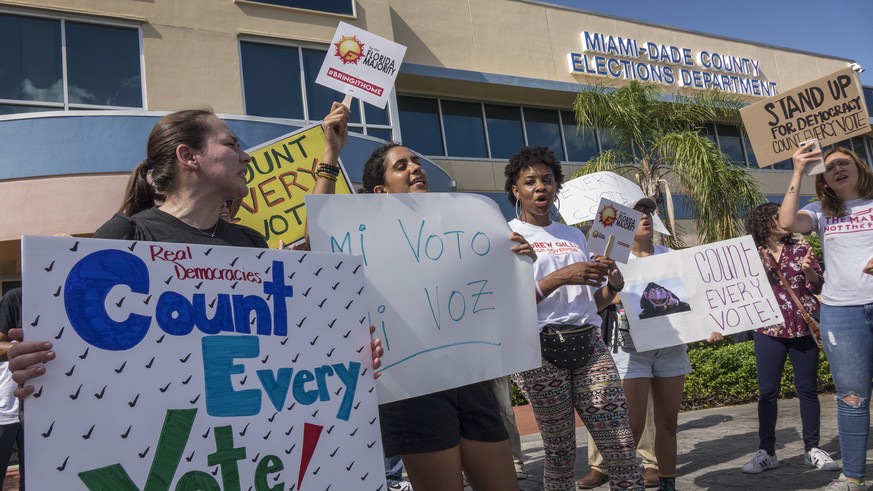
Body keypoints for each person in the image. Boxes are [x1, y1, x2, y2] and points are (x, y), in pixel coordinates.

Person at [8, 102, 384, 399]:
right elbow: (70, 351)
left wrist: (343, 351)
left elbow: (286, 340)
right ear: (189, 156)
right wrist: (35, 366)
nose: (246, 157)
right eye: (232, 145)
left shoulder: (250, 244)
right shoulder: (124, 238)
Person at [355, 142, 530, 491]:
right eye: (401, 166)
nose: (415, 168)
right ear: (380, 190)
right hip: (411, 389)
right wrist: (330, 153)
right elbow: (321, 241)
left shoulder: (463, 228)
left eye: (416, 162)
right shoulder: (361, 237)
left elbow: (492, 295)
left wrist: (518, 263)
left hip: (470, 379)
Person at [504, 146, 644, 491]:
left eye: (548, 180)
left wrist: (613, 284)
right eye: (530, 181)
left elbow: (592, 304)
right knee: (561, 451)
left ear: (556, 187)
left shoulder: (575, 235)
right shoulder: (507, 236)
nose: (541, 187)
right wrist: (561, 276)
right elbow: (508, 307)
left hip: (589, 342)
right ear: (516, 190)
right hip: (539, 349)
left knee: (621, 443)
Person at [777, 144, 873, 491]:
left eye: (844, 162)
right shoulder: (819, 211)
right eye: (829, 168)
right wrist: (799, 170)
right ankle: (853, 478)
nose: (837, 169)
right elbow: (786, 223)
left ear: (860, 166)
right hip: (841, 313)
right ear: (826, 183)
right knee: (851, 397)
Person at [725, 202, 838, 475]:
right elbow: (744, 293)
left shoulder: (800, 248)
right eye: (776, 217)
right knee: (767, 392)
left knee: (808, 390)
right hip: (768, 331)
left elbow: (816, 285)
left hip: (802, 328)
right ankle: (767, 452)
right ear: (762, 223)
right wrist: (762, 270)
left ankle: (812, 449)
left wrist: (809, 269)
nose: (783, 221)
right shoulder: (749, 256)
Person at [597, 198, 689, 491]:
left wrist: (710, 325)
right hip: (629, 349)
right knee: (632, 424)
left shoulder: (670, 255)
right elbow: (595, 300)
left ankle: (667, 483)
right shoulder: (612, 260)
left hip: (670, 347)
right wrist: (618, 292)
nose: (645, 217)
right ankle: (623, 483)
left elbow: (692, 300)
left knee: (669, 421)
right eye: (637, 214)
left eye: (648, 212)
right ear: (623, 223)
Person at [0, 288, 24, 491]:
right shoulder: (15, 297)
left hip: (41, 415)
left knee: (34, 480)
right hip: (5, 411)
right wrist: (20, 348)